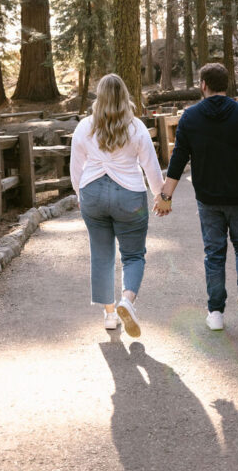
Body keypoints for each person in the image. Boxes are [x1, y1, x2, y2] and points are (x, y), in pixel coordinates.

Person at [154, 62, 238, 331]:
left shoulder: (190, 117)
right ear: (226, 85)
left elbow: (178, 160)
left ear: (203, 85)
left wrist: (166, 196)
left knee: (214, 254)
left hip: (208, 199)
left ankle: (216, 313)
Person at [70, 73, 165, 338]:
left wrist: (80, 194)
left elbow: (76, 167)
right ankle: (127, 300)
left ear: (98, 98)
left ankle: (110, 314)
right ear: (125, 96)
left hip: (93, 194)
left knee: (101, 254)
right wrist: (160, 196)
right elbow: (151, 166)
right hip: (129, 196)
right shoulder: (136, 127)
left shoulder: (84, 127)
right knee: (133, 255)